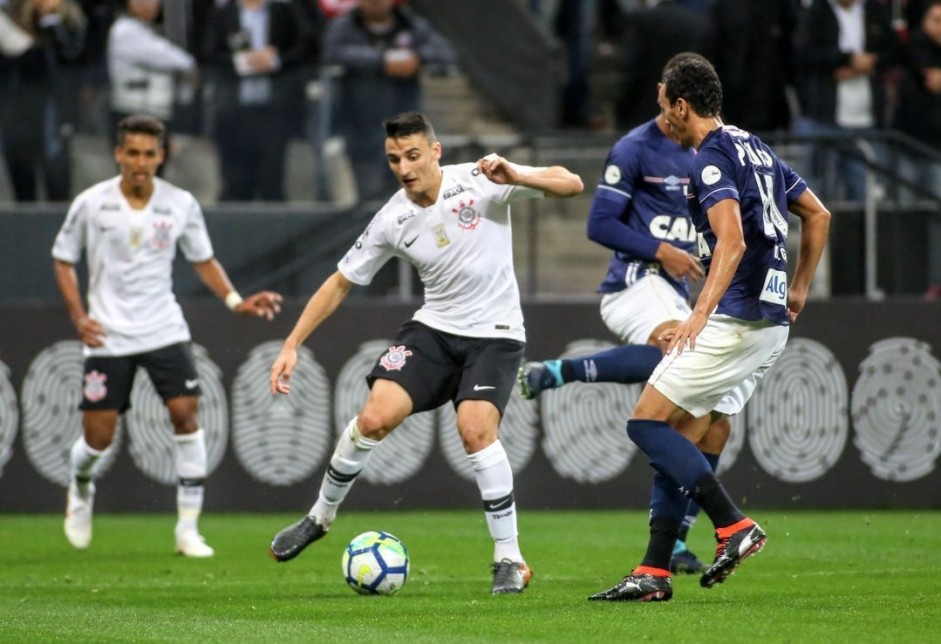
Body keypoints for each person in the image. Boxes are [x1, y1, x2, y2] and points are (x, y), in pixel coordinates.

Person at [267, 111, 583, 594]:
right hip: (435, 329)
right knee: (374, 418)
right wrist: (291, 343)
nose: (404, 167)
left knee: (476, 429)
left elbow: (572, 182)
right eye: (395, 159)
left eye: (413, 155)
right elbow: (339, 282)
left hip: (496, 332)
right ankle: (319, 518)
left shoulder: (483, 178)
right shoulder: (392, 217)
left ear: (436, 152)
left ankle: (509, 558)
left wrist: (517, 174)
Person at [589, 56, 830, 601]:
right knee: (686, 434)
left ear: (681, 105)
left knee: (646, 423)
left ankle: (732, 524)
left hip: (737, 319)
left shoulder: (710, 159)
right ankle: (653, 572)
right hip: (770, 323)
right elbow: (818, 214)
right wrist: (800, 288)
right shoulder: (754, 146)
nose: (662, 120)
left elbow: (733, 241)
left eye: (664, 107)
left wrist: (699, 312)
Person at [520, 52, 731, 576]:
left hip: (684, 294)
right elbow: (600, 224)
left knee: (715, 421)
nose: (663, 100)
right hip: (636, 283)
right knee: (672, 349)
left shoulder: (715, 149)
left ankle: (676, 541)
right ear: (663, 94)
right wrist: (661, 251)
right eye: (661, 89)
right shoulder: (635, 148)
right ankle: (561, 370)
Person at [51, 114, 283, 557]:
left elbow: (203, 259)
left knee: (186, 414)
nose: (140, 163)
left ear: (162, 156)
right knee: (98, 439)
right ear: (118, 153)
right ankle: (81, 488)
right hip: (108, 335)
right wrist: (80, 317)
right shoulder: (90, 203)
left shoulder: (180, 204)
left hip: (163, 328)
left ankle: (188, 530)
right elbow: (62, 259)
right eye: (132, 153)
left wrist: (236, 301)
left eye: (149, 154)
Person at [321, 0, 457, 200]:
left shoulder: (410, 23)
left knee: (409, 197)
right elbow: (331, 53)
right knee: (369, 199)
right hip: (360, 126)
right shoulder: (346, 25)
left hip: (406, 126)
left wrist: (416, 58)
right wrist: (382, 60)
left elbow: (445, 52)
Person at [202, 0, 315, 201]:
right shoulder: (224, 12)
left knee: (272, 181)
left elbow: (306, 47)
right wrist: (242, 62)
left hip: (274, 112)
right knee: (235, 183)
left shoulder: (284, 10)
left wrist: (276, 60)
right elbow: (208, 51)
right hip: (234, 112)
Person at [892, 0, 941, 299]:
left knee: (935, 218)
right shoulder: (910, 48)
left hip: (937, 150)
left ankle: (934, 282)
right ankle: (904, 285)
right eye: (936, 20)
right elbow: (927, 82)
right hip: (907, 144)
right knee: (904, 216)